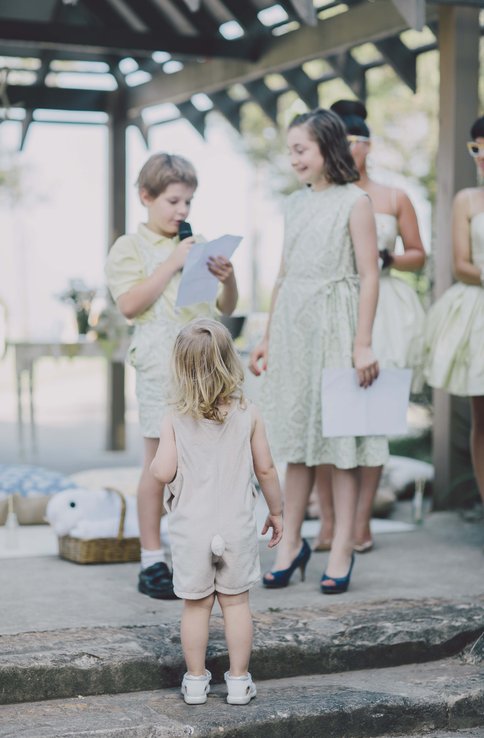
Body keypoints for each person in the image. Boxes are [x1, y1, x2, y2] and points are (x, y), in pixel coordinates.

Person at [249, 108, 388, 595]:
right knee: (298, 447)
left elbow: (369, 274)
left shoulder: (356, 201)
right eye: (290, 150)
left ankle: (344, 548)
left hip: (337, 326)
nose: (293, 159)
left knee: (342, 446)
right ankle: (290, 546)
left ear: (327, 149)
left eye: (300, 149)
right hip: (294, 329)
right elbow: (283, 273)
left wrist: (363, 342)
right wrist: (268, 335)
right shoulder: (295, 204)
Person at [105, 153, 238, 600]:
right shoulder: (129, 246)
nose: (183, 211)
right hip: (161, 362)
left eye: (188, 202)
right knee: (159, 463)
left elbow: (226, 308)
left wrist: (228, 279)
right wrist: (172, 263)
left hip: (204, 363)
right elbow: (128, 305)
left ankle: (198, 547)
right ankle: (150, 559)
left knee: (206, 460)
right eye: (174, 201)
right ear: (147, 196)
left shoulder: (197, 243)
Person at [309, 99, 427, 555]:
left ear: (366, 145)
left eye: (352, 142)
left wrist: (388, 257)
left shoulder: (393, 196)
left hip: (385, 308)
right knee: (329, 417)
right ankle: (327, 520)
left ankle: (360, 524)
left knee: (374, 417)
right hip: (333, 303)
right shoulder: (319, 195)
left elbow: (418, 252)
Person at [150, 318, 283, 705]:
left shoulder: (174, 417)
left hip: (193, 529)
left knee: (196, 606)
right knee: (236, 603)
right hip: (236, 526)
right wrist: (277, 512)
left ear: (179, 368)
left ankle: (194, 681)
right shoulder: (248, 412)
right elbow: (266, 469)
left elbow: (163, 471)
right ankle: (239, 682)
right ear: (230, 361)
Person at [424, 115, 484, 506]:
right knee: (483, 418)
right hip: (478, 310)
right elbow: (460, 263)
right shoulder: (467, 199)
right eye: (475, 148)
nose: (480, 156)